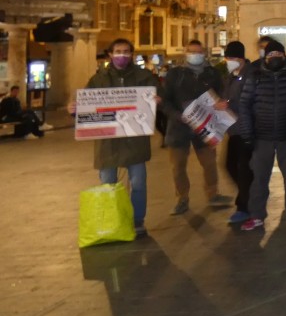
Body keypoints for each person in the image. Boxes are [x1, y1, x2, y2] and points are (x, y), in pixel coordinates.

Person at [81, 38, 158, 238]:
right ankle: (113, 220)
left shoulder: (144, 76)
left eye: (126, 51)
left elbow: (158, 95)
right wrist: (75, 109)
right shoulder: (98, 79)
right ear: (110, 54)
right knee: (108, 184)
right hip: (108, 143)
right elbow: (86, 104)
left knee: (138, 182)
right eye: (118, 51)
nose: (122, 55)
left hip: (135, 140)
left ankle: (137, 220)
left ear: (131, 54)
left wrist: (157, 99)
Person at [239, 42, 286, 231]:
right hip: (262, 136)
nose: (275, 56)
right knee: (260, 178)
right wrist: (247, 133)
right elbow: (245, 106)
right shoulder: (255, 77)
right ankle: (256, 215)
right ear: (265, 56)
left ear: (284, 55)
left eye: (279, 52)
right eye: (272, 53)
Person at [160, 39, 233, 215]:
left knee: (209, 163)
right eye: (191, 52)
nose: (195, 55)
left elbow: (221, 95)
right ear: (185, 53)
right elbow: (165, 101)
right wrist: (178, 116)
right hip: (179, 128)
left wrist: (221, 105)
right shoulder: (175, 75)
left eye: (198, 52)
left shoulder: (212, 73)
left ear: (204, 54)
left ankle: (213, 194)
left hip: (204, 126)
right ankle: (182, 199)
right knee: (178, 167)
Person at [218, 41, 253, 225]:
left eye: (231, 58)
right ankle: (250, 195)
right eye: (227, 58)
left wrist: (229, 104)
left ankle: (244, 206)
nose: (228, 61)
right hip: (233, 129)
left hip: (246, 129)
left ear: (240, 58)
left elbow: (249, 101)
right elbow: (227, 96)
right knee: (229, 165)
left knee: (244, 170)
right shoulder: (230, 76)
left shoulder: (250, 75)